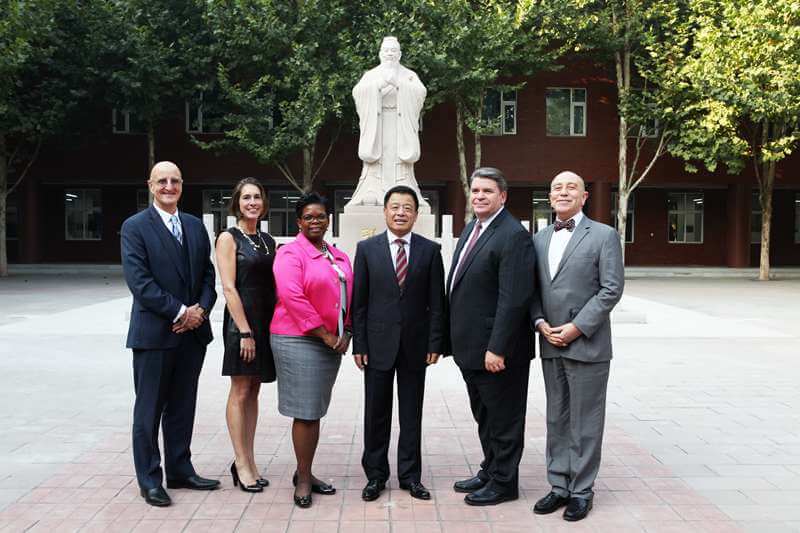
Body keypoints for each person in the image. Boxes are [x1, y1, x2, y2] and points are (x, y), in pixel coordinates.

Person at [120, 161, 219, 507]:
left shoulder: (194, 226)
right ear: (150, 185)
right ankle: (150, 480)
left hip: (192, 336)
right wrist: (181, 312)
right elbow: (140, 282)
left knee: (182, 406)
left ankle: (180, 469)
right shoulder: (135, 227)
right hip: (154, 335)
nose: (168, 186)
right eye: (161, 180)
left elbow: (208, 276)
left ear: (182, 185)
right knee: (148, 410)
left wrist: (199, 312)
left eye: (175, 180)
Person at [530, 171, 624, 522]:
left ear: (585, 197)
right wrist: (539, 323)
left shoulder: (603, 235)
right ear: (550, 196)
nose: (563, 192)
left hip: (587, 344)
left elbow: (611, 289)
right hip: (550, 341)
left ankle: (582, 491)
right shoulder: (539, 238)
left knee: (585, 421)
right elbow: (532, 289)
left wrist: (576, 328)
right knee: (557, 418)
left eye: (572, 187)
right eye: (557, 187)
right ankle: (558, 485)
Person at [446, 167, 536, 506]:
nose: (480, 196)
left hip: (498, 352)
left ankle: (504, 483)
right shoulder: (474, 227)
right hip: (472, 348)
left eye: (487, 191)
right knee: (485, 416)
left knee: (504, 419)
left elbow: (514, 299)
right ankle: (491, 468)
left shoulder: (513, 235)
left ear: (503, 196)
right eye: (475, 190)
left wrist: (497, 348)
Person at [351, 185, 446, 502]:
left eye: (407, 207)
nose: (401, 212)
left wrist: (435, 341)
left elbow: (437, 302)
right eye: (395, 207)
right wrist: (359, 345)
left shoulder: (430, 251)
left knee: (411, 415)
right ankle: (375, 476)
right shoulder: (367, 249)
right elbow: (359, 302)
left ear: (416, 214)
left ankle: (410, 476)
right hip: (377, 345)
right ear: (385, 211)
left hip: (415, 346)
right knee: (375, 414)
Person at [270, 193, 353, 508]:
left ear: (329, 220)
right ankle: (303, 479)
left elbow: (350, 295)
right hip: (299, 339)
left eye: (320, 216)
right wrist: (326, 335)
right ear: (299, 222)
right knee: (306, 413)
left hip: (330, 342)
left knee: (314, 410)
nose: (315, 221)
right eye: (308, 217)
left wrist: (347, 332)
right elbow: (292, 296)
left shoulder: (337, 255)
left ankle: (304, 470)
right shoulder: (290, 254)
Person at [215, 178, 277, 493]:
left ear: (263, 202)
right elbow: (228, 287)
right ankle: (240, 462)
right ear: (237, 203)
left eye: (257, 197)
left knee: (254, 391)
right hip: (241, 325)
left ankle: (249, 460)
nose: (252, 202)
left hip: (265, 323)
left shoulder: (267, 239)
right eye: (246, 197)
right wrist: (245, 332)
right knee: (240, 390)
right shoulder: (228, 238)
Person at [348, 36, 429, 209]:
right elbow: (358, 92)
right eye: (386, 50)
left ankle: (405, 188)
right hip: (377, 126)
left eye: (393, 51)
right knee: (375, 162)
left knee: (401, 162)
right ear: (380, 54)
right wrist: (378, 85)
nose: (390, 54)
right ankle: (372, 190)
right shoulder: (371, 75)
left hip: (400, 125)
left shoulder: (409, 76)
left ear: (399, 54)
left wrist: (398, 83)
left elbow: (420, 93)